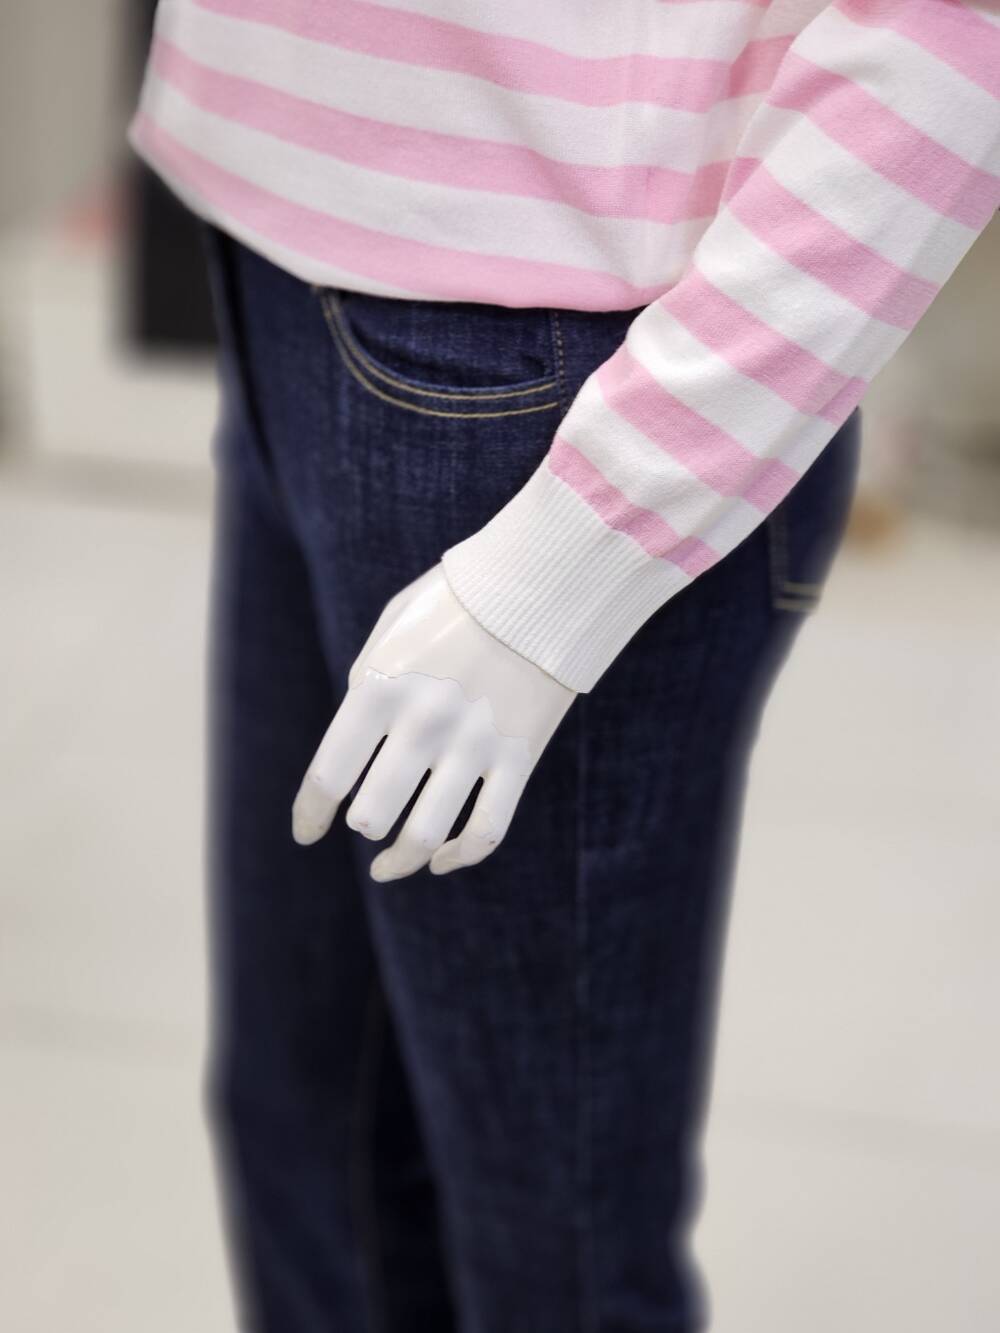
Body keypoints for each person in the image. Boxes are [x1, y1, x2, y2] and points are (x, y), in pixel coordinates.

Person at [128, 2, 999, 1329]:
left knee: (552, 1257)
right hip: (276, 240)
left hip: (544, 374)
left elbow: (948, 33)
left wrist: (571, 559)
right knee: (305, 1138)